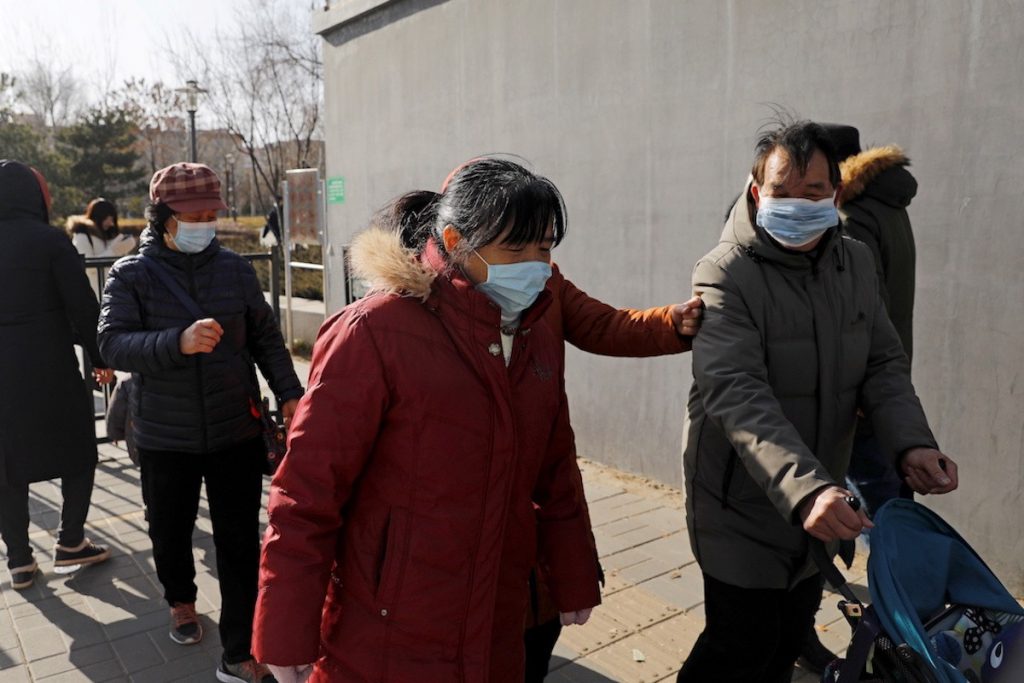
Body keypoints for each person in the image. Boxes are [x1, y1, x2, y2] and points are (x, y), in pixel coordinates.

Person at [252, 158, 603, 683]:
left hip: (498, 615)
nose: (536, 265)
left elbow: (555, 465)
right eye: (516, 248)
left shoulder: (534, 330)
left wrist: (572, 573)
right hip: (388, 628)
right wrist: (284, 628)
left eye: (545, 247)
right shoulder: (375, 331)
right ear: (457, 239)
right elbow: (306, 491)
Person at [676, 120, 959, 683]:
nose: (797, 205)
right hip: (741, 497)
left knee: (787, 636)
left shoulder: (855, 261)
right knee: (739, 645)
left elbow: (883, 362)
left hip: (821, 494)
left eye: (813, 192)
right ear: (758, 193)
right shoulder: (724, 271)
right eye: (782, 191)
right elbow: (735, 390)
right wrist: (808, 488)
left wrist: (912, 443)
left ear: (836, 193)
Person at [97, 162, 303, 683]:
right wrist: (177, 342)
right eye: (195, 215)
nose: (205, 223)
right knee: (169, 530)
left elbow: (265, 339)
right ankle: (181, 600)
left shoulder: (234, 270)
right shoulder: (131, 275)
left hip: (234, 426)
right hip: (165, 435)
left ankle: (239, 651)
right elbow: (112, 342)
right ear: (163, 218)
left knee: (240, 542)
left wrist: (292, 393)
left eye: (212, 213)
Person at [0, 160, 114, 591]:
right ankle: (70, 540)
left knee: (6, 465)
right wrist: (102, 355)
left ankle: (19, 560)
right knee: (78, 449)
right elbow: (82, 307)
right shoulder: (50, 241)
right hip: (48, 365)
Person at [825, 123, 920, 516]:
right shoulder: (888, 205)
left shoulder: (850, 217)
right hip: (887, 367)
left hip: (860, 378)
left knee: (872, 489)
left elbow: (863, 306)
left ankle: (901, 572)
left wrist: (862, 382)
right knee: (886, 479)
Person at [66, 197, 137, 298]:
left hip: (111, 294)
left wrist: (125, 244)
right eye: (109, 219)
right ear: (100, 217)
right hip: (94, 296)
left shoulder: (104, 234)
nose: (111, 224)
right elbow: (88, 268)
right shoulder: (82, 236)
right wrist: (114, 251)